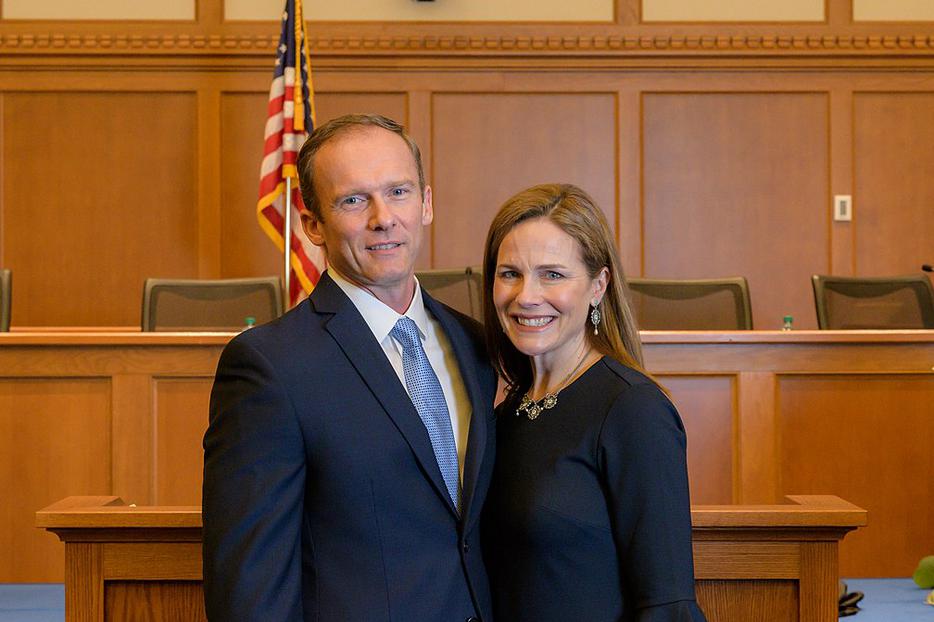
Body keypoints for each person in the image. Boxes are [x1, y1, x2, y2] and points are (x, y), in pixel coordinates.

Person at [202, 113, 497, 622]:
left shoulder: (474, 345)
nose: (384, 217)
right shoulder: (269, 366)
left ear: (427, 203)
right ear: (313, 224)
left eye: (399, 192)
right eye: (354, 200)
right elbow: (250, 585)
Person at [481, 183, 706, 621]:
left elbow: (667, 604)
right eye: (510, 273)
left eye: (553, 274)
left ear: (598, 285)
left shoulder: (633, 411)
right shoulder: (504, 414)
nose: (526, 296)